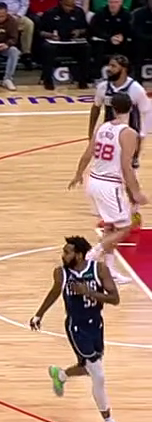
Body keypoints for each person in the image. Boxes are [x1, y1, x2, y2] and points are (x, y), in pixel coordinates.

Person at [29, 236, 124, 422]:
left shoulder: (98, 269)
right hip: (76, 327)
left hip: (96, 325)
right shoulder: (61, 273)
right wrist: (38, 315)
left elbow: (115, 299)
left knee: (88, 368)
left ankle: (61, 375)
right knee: (98, 375)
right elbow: (54, 293)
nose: (63, 255)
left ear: (79, 255)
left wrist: (89, 292)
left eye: (67, 252)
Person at [70, 92, 146, 287]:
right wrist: (136, 192)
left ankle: (110, 270)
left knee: (110, 227)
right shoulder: (129, 133)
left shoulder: (102, 127)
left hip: (93, 181)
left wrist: (78, 174)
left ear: (112, 108)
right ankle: (92, 255)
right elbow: (126, 167)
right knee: (125, 227)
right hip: (109, 185)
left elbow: (87, 153)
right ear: (131, 108)